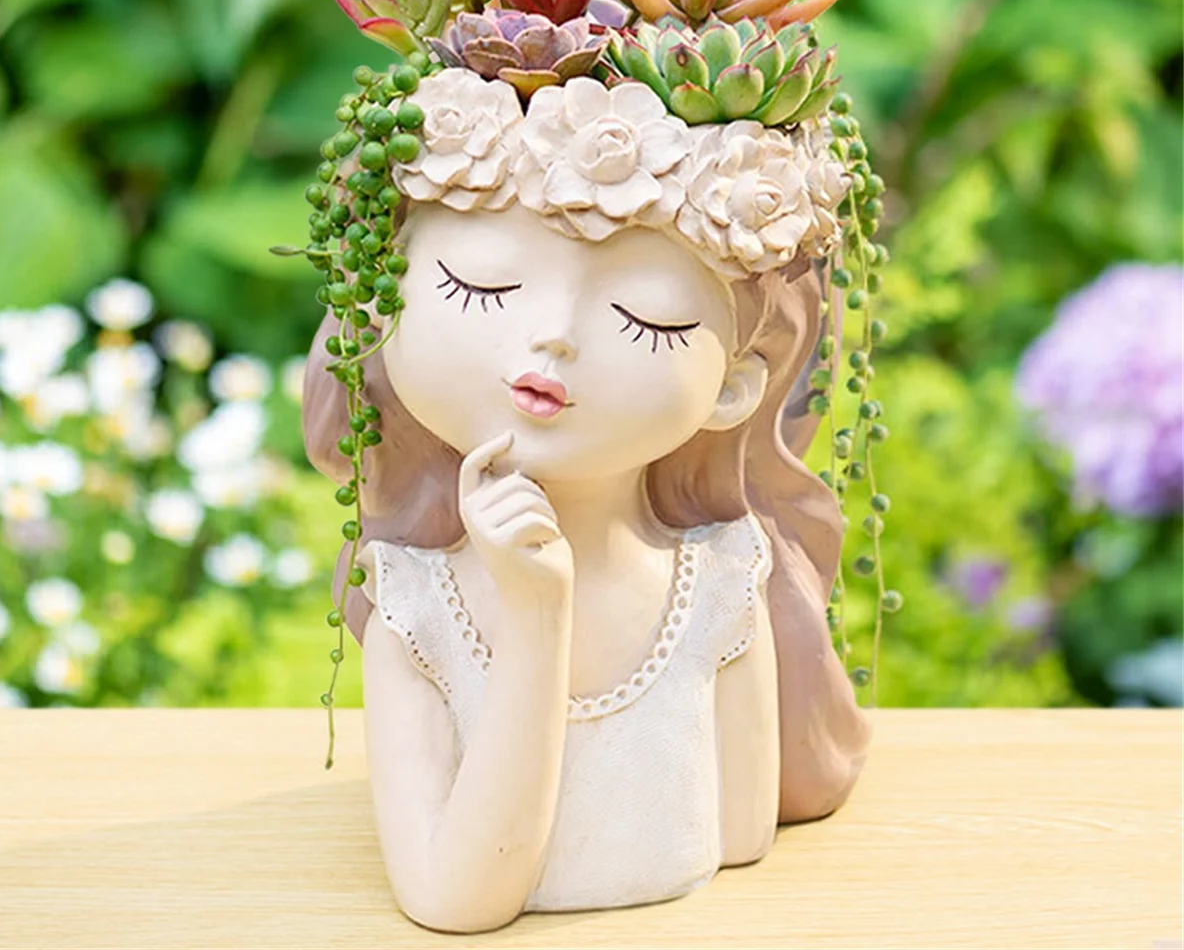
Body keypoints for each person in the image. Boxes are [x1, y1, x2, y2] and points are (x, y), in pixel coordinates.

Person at [302, 70, 872, 932]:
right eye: (480, 287)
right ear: (382, 310)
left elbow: (743, 832)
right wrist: (535, 614)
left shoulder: (723, 584)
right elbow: (456, 902)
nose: (552, 334)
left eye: (647, 320)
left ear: (734, 388)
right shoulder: (416, 611)